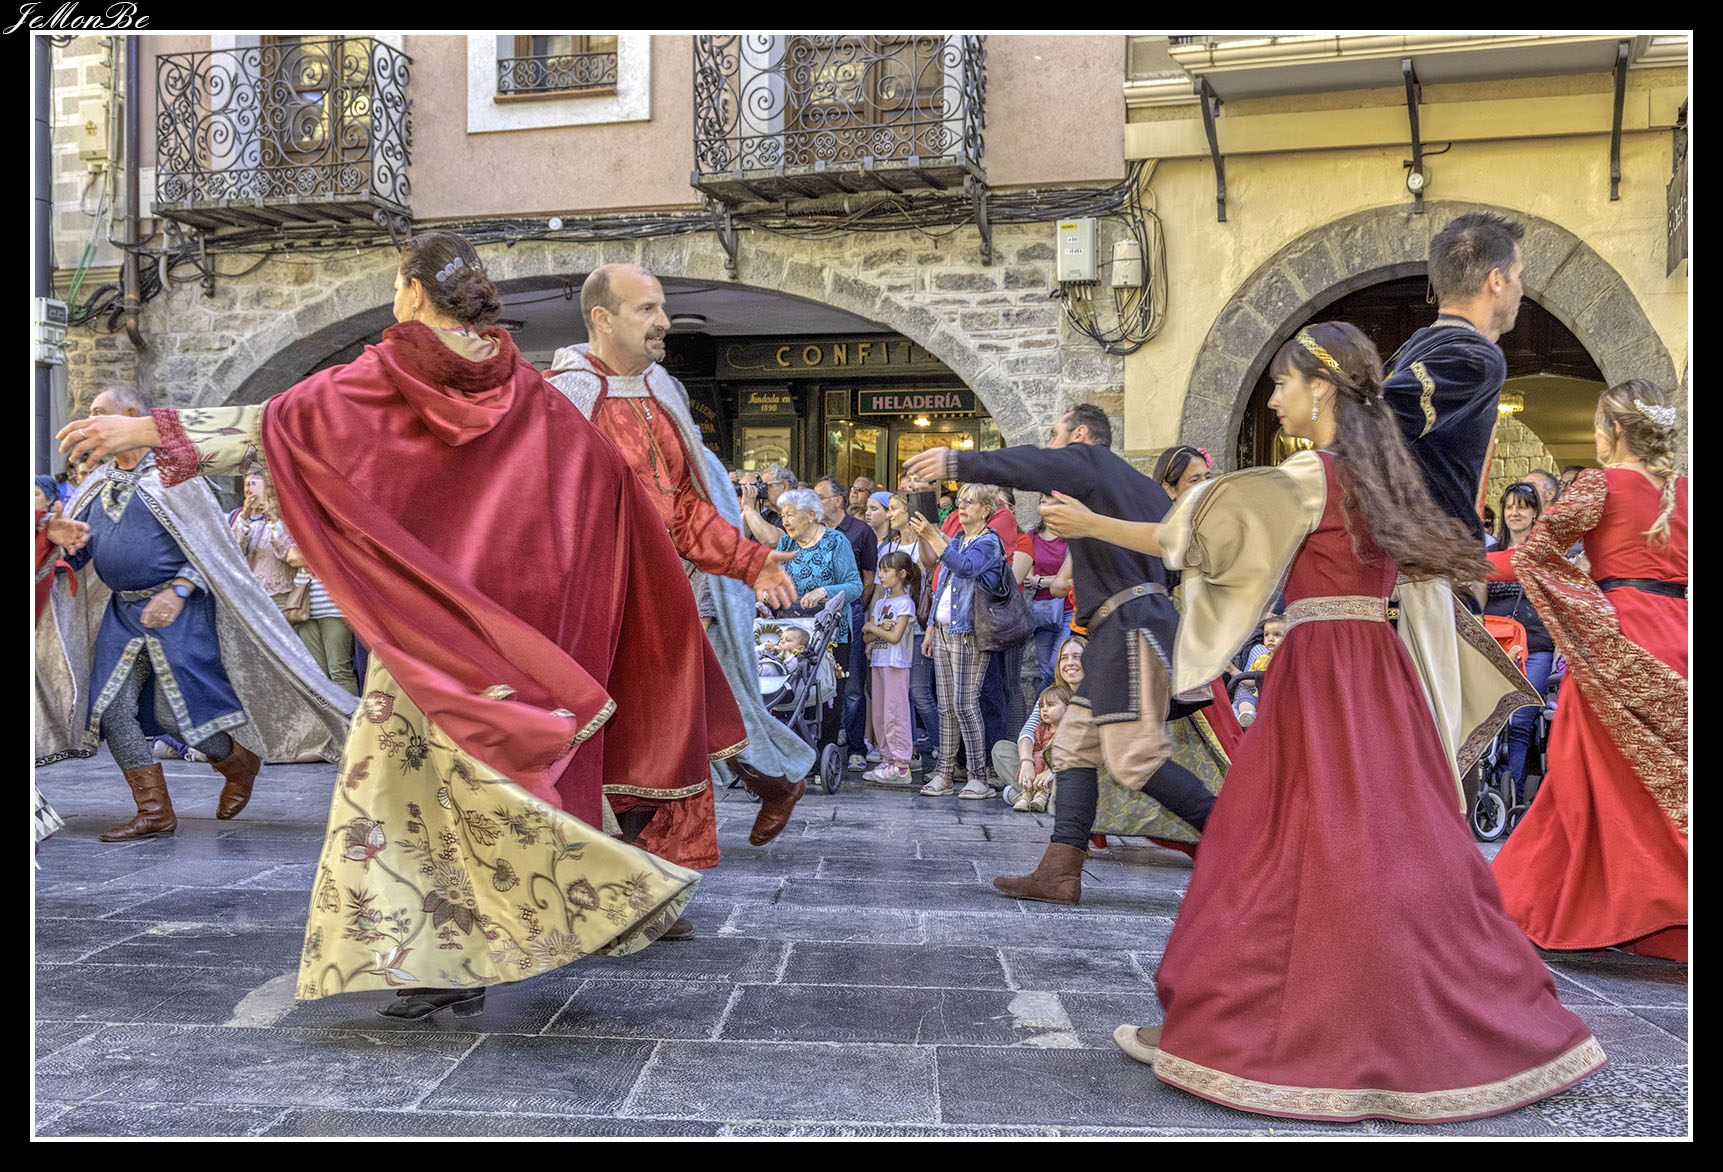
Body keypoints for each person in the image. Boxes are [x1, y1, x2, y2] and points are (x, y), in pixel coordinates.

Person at [57, 232, 724, 1020]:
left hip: (426, 628)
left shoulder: (394, 371)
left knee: (401, 792)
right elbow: (602, 479)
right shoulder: (522, 386)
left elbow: (282, 423)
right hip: (505, 628)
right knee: (458, 788)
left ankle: (596, 903)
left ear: (411, 289)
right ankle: (466, 954)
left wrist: (149, 432)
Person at [1040, 322, 1600, 1123]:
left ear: (1321, 387)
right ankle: (1361, 1019)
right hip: (1377, 673)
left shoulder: (1311, 474)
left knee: (1259, 843)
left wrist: (1090, 526)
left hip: (1321, 674)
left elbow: (1186, 536)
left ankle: (1220, 1026)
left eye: (1282, 383)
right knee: (1389, 846)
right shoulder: (1387, 473)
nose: (1273, 398)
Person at [544, 264, 808, 863]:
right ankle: (611, 877)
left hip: (663, 598)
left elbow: (684, 505)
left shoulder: (664, 390)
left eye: (662, 307)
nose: (663, 321)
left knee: (667, 742)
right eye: (647, 309)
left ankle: (647, 880)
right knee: (614, 742)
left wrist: (750, 560)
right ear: (602, 318)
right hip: (596, 606)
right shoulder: (563, 396)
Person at [904, 405, 1219, 903]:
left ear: (1080, 435)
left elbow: (1032, 464)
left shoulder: (1089, 460)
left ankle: (1241, 839)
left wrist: (956, 462)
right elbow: (1175, 568)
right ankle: (1060, 871)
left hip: (1128, 629)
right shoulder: (1145, 491)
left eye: (1056, 436)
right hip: (1134, 626)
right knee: (1073, 746)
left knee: (1134, 758)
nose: (1052, 447)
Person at [38, 385, 357, 843]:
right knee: (111, 709)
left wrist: (178, 590)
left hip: (180, 612)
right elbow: (81, 552)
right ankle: (154, 812)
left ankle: (238, 763)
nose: (90, 422)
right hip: (123, 613)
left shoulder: (176, 478)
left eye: (98, 412)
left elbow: (212, 550)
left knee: (180, 716)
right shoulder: (96, 484)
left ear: (130, 414)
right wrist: (61, 543)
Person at [1490, 380, 1687, 962]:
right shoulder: (1683, 491)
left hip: (1614, 642)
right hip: (1678, 642)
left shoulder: (1601, 485)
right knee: (1662, 785)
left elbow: (1533, 555)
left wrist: (1458, 561)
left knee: (1584, 782)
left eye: (1600, 426)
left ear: (1615, 429)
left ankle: (1546, 906)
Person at [1383, 212, 1525, 542]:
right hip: (1435, 554)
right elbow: (1380, 409)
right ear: (1496, 280)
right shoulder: (1476, 357)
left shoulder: (1415, 344)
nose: (1521, 288)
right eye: (1518, 275)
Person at [908, 483, 1010, 799]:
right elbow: (941, 585)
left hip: (967, 632)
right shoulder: (958, 540)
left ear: (986, 510)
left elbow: (964, 568)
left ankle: (979, 776)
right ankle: (945, 773)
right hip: (943, 630)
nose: (961, 506)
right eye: (960, 501)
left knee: (965, 704)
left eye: (969, 502)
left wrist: (932, 534)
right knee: (947, 708)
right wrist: (930, 628)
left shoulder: (988, 542)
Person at [771, 487, 865, 753]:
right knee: (790, 693)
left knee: (827, 697)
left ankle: (824, 753)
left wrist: (824, 592)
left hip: (830, 634)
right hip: (793, 631)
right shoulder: (786, 544)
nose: (785, 520)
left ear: (811, 514)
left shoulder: (835, 541)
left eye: (790, 514)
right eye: (783, 515)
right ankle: (794, 754)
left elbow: (855, 586)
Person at [1482, 481, 1557, 798]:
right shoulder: (1490, 554)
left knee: (1521, 718)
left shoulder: (1545, 554)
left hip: (1535, 647)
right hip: (1495, 645)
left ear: (1535, 513)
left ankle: (1510, 789)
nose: (1514, 513)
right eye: (1509, 507)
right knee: (1489, 717)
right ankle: (1487, 789)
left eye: (1522, 507)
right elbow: (1480, 603)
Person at [812, 475, 878, 771]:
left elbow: (868, 578)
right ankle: (823, 746)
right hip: (817, 616)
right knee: (820, 684)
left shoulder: (861, 531)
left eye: (820, 497)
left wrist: (855, 609)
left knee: (851, 686)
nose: (815, 503)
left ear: (837, 500)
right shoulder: (815, 530)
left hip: (849, 613)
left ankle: (856, 747)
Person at [860, 550, 920, 786]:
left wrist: (874, 629)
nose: (881, 575)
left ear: (901, 574)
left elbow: (894, 637)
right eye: (880, 570)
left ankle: (901, 765)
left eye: (886, 571)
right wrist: (875, 630)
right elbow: (867, 637)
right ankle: (887, 760)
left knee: (895, 713)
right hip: (879, 661)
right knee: (880, 715)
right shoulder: (880, 604)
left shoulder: (905, 603)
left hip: (896, 663)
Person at [993, 684, 1071, 813]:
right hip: (1035, 771)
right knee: (1001, 749)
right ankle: (1033, 794)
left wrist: (1052, 770)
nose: (1044, 710)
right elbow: (1029, 739)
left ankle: (1027, 796)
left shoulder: (1071, 729)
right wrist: (1026, 762)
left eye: (1050, 705)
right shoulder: (1040, 728)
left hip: (1059, 774)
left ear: (1067, 709)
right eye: (1041, 706)